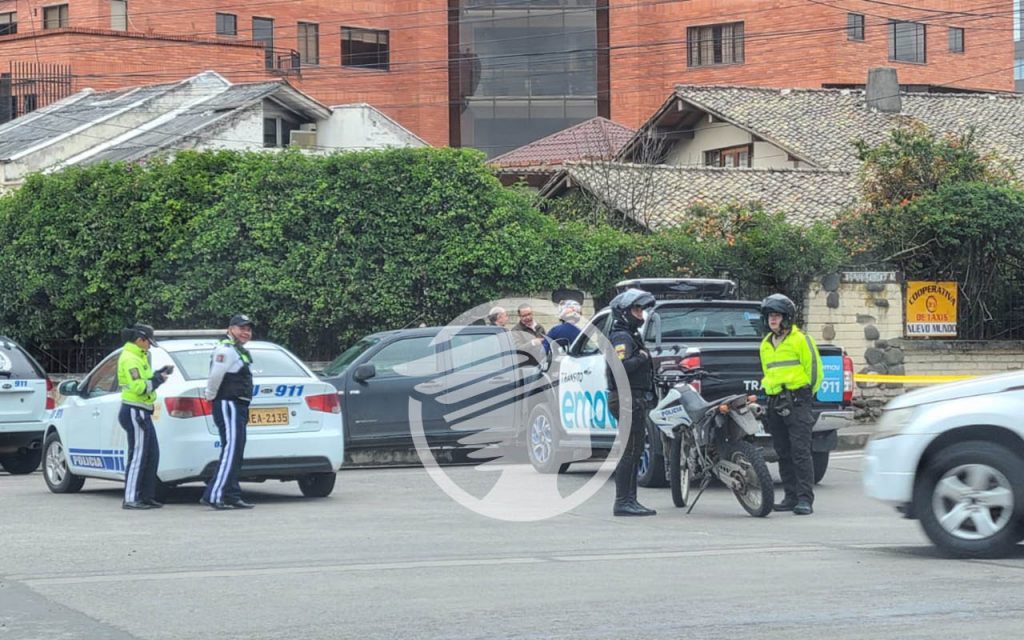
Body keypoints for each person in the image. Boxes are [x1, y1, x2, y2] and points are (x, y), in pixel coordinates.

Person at [759, 293, 823, 516]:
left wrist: (803, 395)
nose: (772, 320)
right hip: (775, 401)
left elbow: (815, 371)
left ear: (786, 317)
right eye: (769, 316)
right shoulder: (766, 344)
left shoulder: (801, 340)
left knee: (800, 451)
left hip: (797, 400)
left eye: (776, 316)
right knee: (783, 451)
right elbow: (768, 372)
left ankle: (805, 499)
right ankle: (790, 495)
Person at [606, 288, 657, 517]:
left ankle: (630, 500)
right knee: (630, 451)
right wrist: (642, 357)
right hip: (627, 399)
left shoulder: (629, 335)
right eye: (637, 309)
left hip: (633, 399)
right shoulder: (621, 337)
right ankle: (623, 501)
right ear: (625, 312)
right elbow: (621, 367)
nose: (641, 314)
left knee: (634, 451)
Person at [202, 314, 256, 510]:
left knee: (236, 450)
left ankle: (231, 494)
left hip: (238, 405)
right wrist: (210, 396)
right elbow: (215, 376)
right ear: (230, 329)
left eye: (248, 329)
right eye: (241, 328)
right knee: (231, 449)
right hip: (229, 404)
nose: (246, 332)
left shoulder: (237, 350)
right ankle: (215, 495)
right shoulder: (226, 350)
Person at [117, 323, 173, 510]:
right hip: (135, 410)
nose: (150, 346)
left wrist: (157, 374)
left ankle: (147, 496)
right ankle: (131, 498)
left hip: (142, 410)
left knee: (151, 455)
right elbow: (139, 387)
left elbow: (144, 380)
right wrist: (158, 380)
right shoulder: (131, 359)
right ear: (140, 340)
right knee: (138, 456)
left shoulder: (139, 356)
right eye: (148, 342)